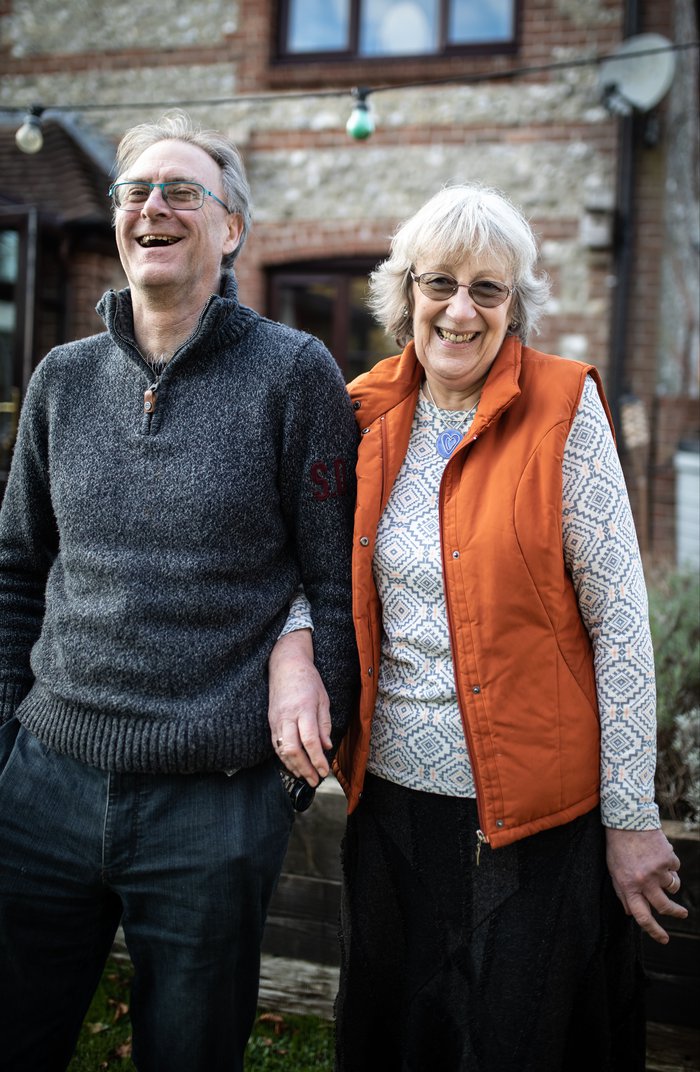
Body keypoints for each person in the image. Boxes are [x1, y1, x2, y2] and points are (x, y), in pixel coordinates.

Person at [0, 111, 357, 1072]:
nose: (152, 205)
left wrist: (288, 780)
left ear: (232, 228)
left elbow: (335, 575)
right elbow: (16, 571)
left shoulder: (295, 374)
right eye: (136, 191)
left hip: (214, 804)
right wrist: (7, 744)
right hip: (44, 786)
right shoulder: (60, 381)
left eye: (182, 190)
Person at [328, 184, 688, 1071]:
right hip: (393, 813)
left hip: (535, 821)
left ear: (513, 305)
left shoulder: (566, 410)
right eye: (439, 283)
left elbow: (622, 628)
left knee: (517, 1043)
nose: (460, 310)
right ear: (404, 291)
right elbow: (312, 581)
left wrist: (634, 816)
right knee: (403, 1038)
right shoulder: (361, 413)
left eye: (488, 290)